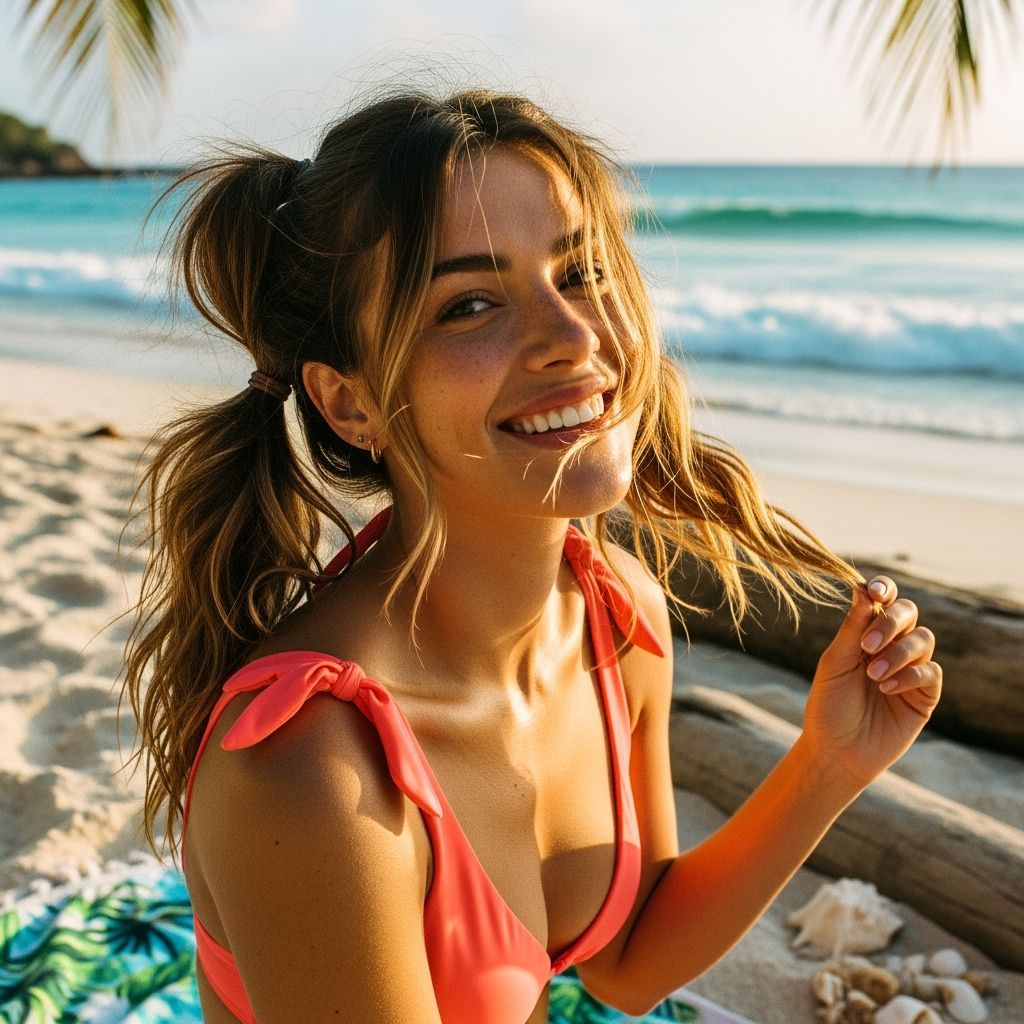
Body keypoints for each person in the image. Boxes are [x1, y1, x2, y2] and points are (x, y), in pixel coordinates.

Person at [120, 89, 941, 1024]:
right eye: (470, 304)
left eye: (582, 271)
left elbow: (627, 965)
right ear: (350, 403)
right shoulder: (315, 770)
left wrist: (828, 764)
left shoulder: (616, 616)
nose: (577, 337)